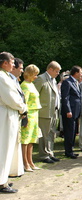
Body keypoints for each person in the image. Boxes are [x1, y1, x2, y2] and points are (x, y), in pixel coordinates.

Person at [0, 52, 27, 193]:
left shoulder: (4, 76)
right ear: (4, 63)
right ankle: (1, 182)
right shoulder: (1, 77)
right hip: (4, 115)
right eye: (11, 62)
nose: (13, 65)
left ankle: (3, 178)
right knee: (3, 148)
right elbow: (11, 98)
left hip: (8, 114)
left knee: (7, 148)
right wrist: (23, 108)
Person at [34, 61, 61, 164]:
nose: (58, 73)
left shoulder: (53, 80)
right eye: (56, 71)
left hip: (54, 111)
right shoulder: (41, 79)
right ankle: (43, 155)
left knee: (51, 134)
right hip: (45, 112)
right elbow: (35, 95)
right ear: (50, 69)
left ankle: (50, 153)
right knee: (44, 135)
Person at [20, 65, 42, 172]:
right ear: (29, 73)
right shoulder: (24, 86)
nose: (36, 77)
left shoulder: (31, 84)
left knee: (32, 139)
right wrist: (25, 117)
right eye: (35, 74)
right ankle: (25, 163)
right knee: (25, 139)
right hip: (29, 114)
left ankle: (30, 161)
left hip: (35, 114)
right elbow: (24, 102)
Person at [8, 58, 26, 178]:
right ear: (13, 68)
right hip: (9, 115)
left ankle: (14, 170)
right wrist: (23, 108)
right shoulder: (7, 79)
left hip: (17, 115)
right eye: (20, 68)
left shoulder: (15, 80)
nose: (22, 71)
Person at [61, 66, 82, 159]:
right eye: (80, 72)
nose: (81, 74)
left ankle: (71, 149)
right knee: (69, 131)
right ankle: (68, 151)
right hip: (70, 112)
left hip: (76, 111)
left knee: (74, 131)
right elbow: (65, 98)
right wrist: (68, 110)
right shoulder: (67, 82)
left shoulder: (75, 82)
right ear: (76, 73)